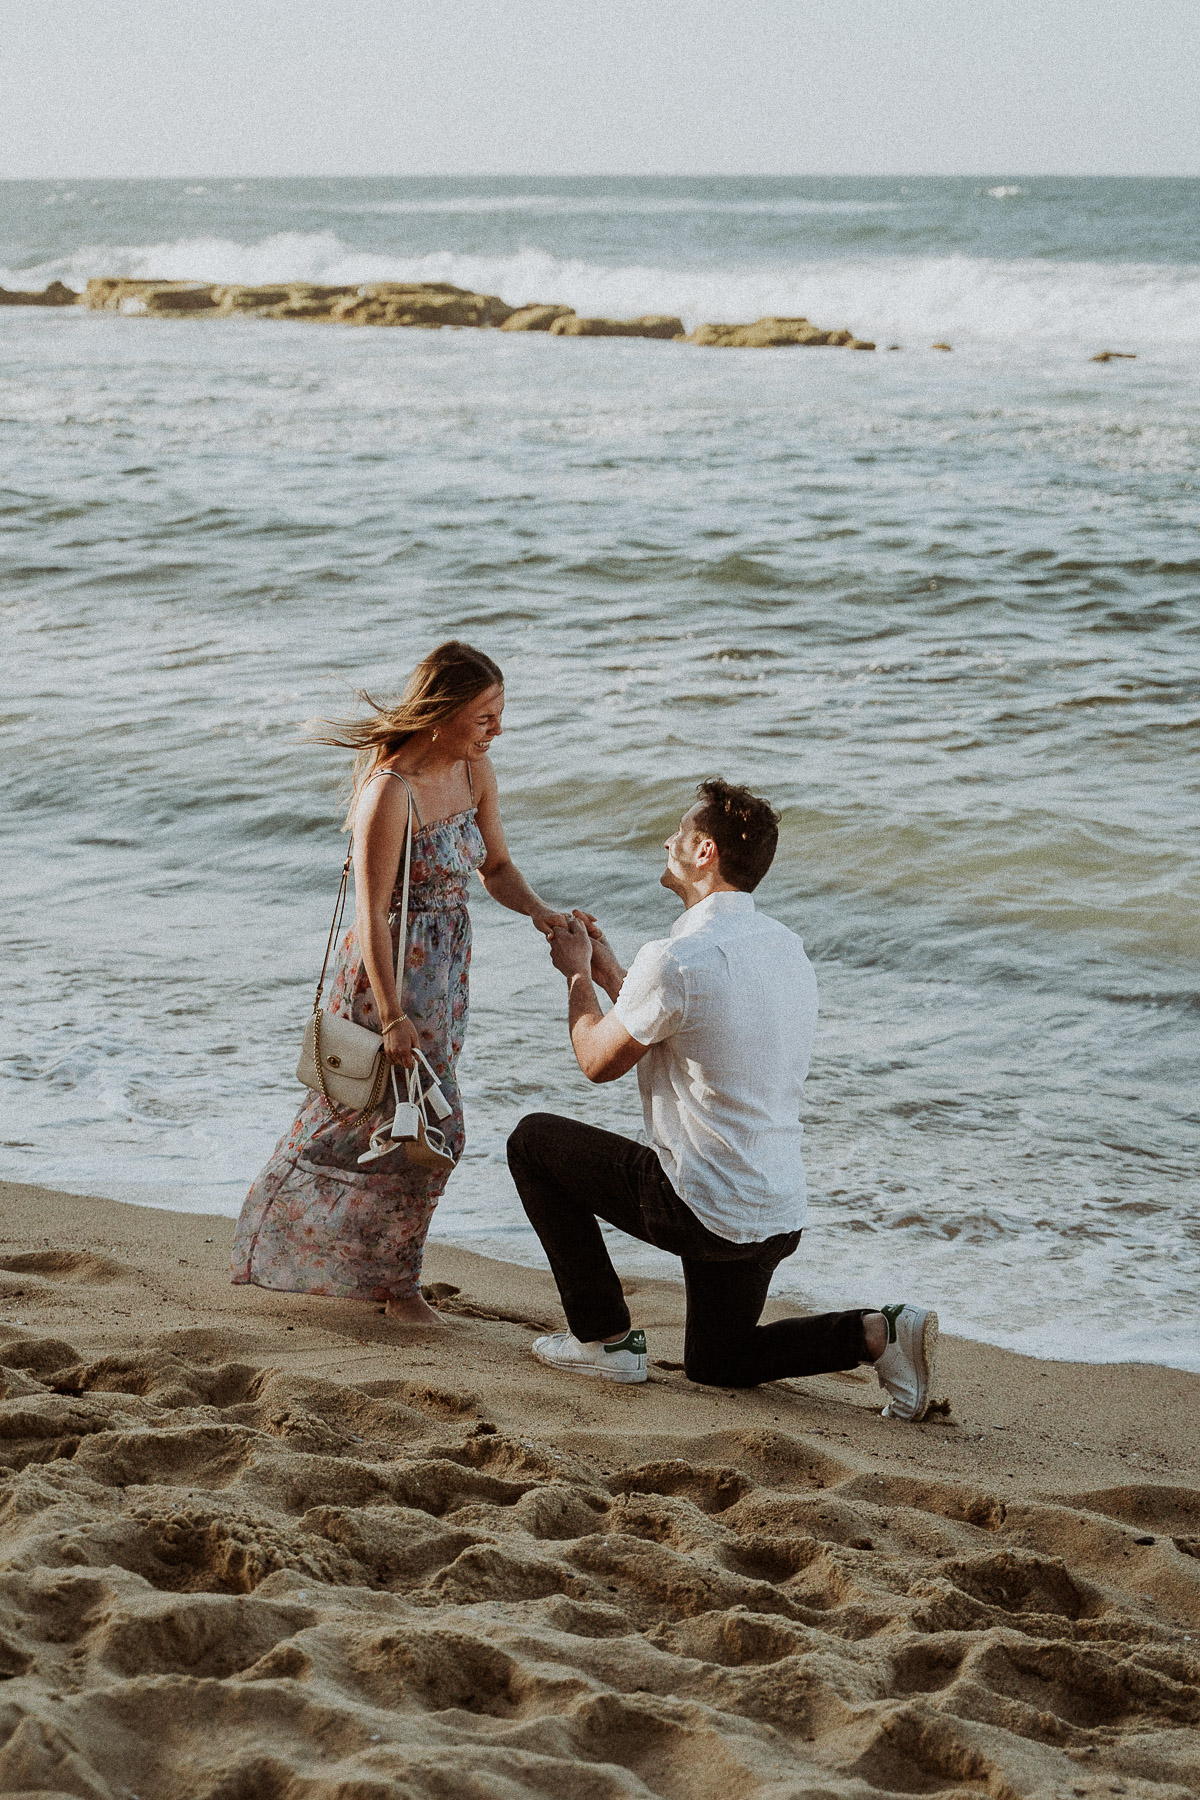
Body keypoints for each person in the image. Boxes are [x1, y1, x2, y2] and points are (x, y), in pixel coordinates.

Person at [506, 777, 939, 1420]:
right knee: (718, 1362)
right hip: (773, 1209)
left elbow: (597, 1061)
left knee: (532, 1142)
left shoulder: (678, 959)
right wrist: (610, 972)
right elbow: (690, 1025)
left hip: (703, 1207)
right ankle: (877, 1332)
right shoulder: (784, 949)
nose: (666, 840)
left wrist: (574, 974)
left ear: (702, 851)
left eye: (678, 833)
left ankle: (604, 1340)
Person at [232, 640, 567, 1327]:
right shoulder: (391, 791)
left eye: (499, 715)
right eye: (484, 717)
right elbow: (371, 912)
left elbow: (496, 867)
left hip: (445, 979)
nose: (496, 730)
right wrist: (389, 1016)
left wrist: (543, 913)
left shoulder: (475, 775)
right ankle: (384, 1278)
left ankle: (377, 1274)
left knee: (394, 1123)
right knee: (412, 1124)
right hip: (388, 979)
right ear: (440, 716)